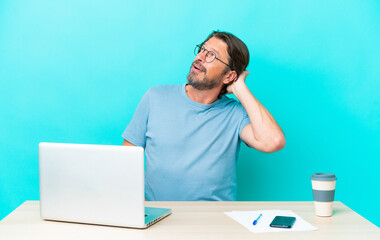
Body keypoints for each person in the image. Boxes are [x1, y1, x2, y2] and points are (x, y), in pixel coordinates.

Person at [122, 31, 285, 201]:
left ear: (229, 75)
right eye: (202, 50)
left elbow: (274, 142)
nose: (200, 57)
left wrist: (240, 88)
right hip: (158, 217)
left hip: (213, 220)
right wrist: (143, 206)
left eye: (212, 55)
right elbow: (125, 161)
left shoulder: (235, 113)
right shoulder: (155, 97)